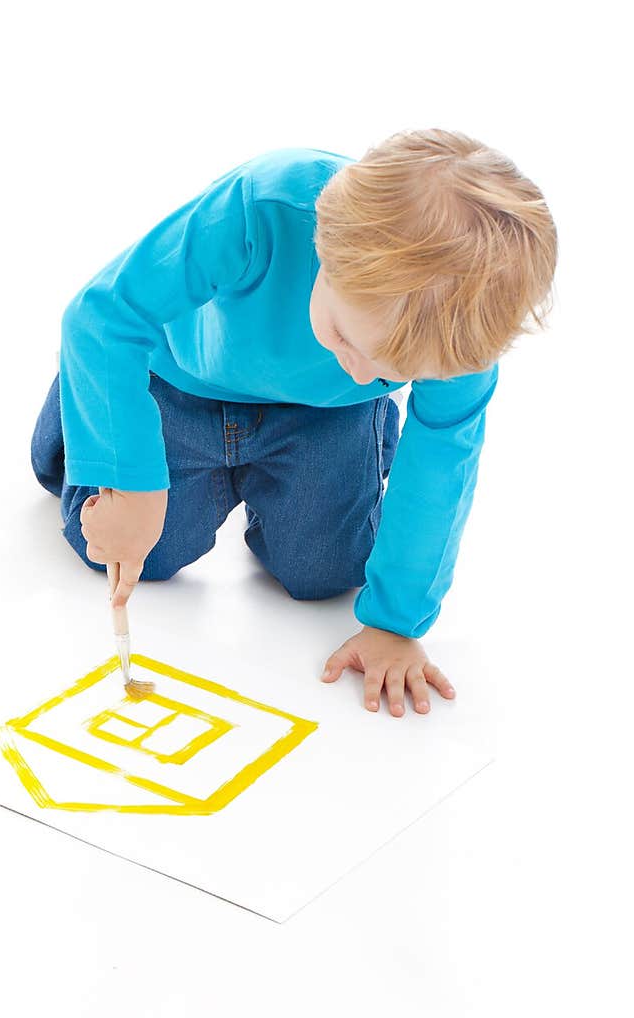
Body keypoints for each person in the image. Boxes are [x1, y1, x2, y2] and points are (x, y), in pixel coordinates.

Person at [30, 131, 557, 717]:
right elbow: (104, 312)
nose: (363, 376)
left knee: (326, 573)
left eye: (394, 375)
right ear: (323, 252)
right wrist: (130, 480)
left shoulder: (458, 341)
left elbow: (441, 463)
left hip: (321, 417)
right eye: (344, 341)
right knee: (127, 551)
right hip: (180, 382)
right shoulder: (262, 206)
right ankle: (94, 403)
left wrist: (397, 621)